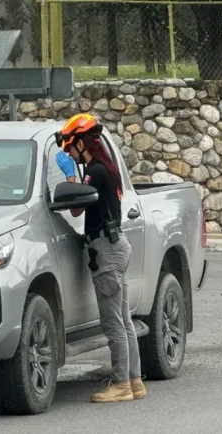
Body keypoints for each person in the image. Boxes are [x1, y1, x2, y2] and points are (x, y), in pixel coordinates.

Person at [54, 113, 146, 403]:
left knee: (113, 323)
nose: (69, 153)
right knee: (124, 320)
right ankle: (134, 381)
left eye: (69, 147)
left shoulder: (95, 170)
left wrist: (70, 177)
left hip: (106, 249)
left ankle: (120, 384)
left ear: (82, 143)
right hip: (116, 244)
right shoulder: (107, 165)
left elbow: (77, 210)